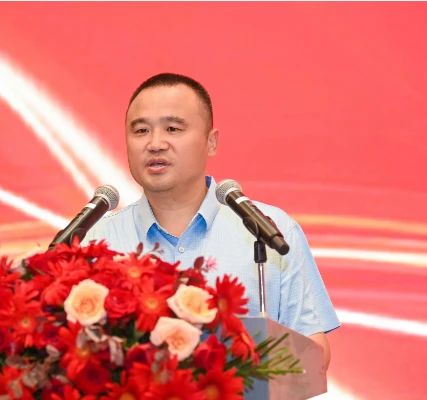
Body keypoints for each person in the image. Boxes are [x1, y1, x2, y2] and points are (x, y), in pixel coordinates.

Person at [84, 73, 337, 370]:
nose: (155, 143)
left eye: (173, 128)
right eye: (141, 130)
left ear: (211, 142)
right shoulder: (96, 239)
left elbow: (314, 355)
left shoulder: (269, 231)